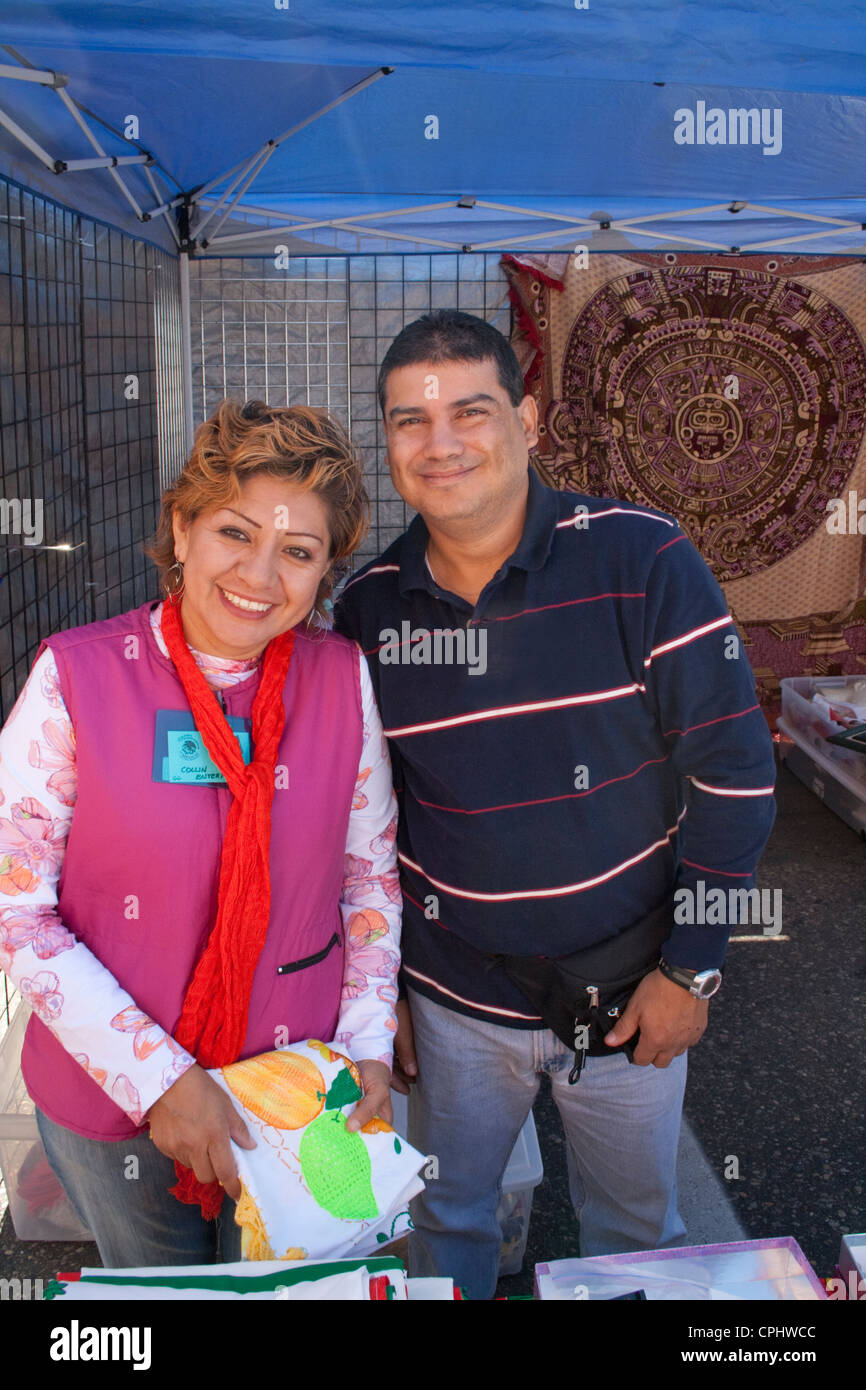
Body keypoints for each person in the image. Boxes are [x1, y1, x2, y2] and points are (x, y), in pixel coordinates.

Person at [334, 309, 776, 1300]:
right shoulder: (368, 611)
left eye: (470, 411)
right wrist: (382, 994)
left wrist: (690, 970)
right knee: (446, 1216)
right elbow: (364, 824)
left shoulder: (640, 560)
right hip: (450, 1003)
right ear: (389, 440)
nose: (440, 443)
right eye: (409, 420)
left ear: (528, 422)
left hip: (629, 994)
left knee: (634, 1234)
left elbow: (735, 776)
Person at [0, 399, 401, 1267]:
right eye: (233, 532)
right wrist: (160, 1081)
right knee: (162, 1298)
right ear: (180, 529)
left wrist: (370, 1044)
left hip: (296, 1096)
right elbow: (17, 910)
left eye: (298, 551)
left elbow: (369, 882)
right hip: (113, 1105)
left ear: (325, 570)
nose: (260, 574)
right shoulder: (77, 678)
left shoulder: (339, 682)